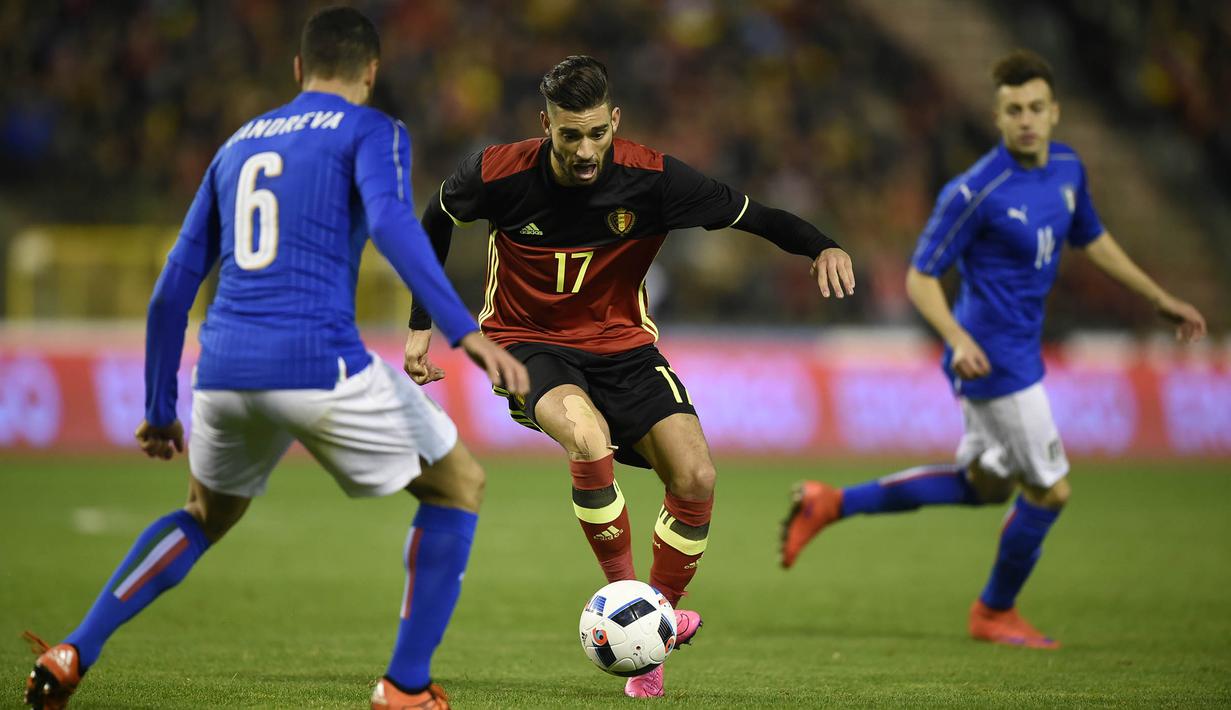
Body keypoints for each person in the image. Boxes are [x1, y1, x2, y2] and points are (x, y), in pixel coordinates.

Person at [21, 7, 528, 710]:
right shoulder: (372, 130)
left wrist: (160, 410)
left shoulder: (236, 146)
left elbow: (172, 290)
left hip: (224, 370)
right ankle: (406, 686)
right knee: (457, 485)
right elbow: (389, 222)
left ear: (298, 69)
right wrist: (461, 329)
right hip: (319, 362)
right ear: (371, 72)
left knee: (202, 515)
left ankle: (74, 649)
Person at [401, 55, 855, 698]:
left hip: (624, 348)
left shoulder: (656, 180)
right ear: (545, 126)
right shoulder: (498, 172)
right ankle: (628, 605)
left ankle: (656, 629)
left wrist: (821, 244)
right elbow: (435, 221)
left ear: (615, 121)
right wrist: (421, 322)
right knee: (585, 439)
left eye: (596, 133)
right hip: (526, 342)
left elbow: (755, 215)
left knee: (696, 476)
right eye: (568, 135)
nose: (585, 151)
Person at [780, 50, 1207, 649]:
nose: (1026, 119)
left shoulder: (1067, 167)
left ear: (1054, 112)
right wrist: (958, 340)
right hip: (991, 360)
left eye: (1036, 107)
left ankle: (832, 504)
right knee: (1052, 490)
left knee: (986, 487)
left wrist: (1158, 297)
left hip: (1019, 351)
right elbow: (920, 278)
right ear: (998, 116)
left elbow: (1094, 239)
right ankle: (994, 611)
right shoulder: (975, 191)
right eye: (1014, 110)